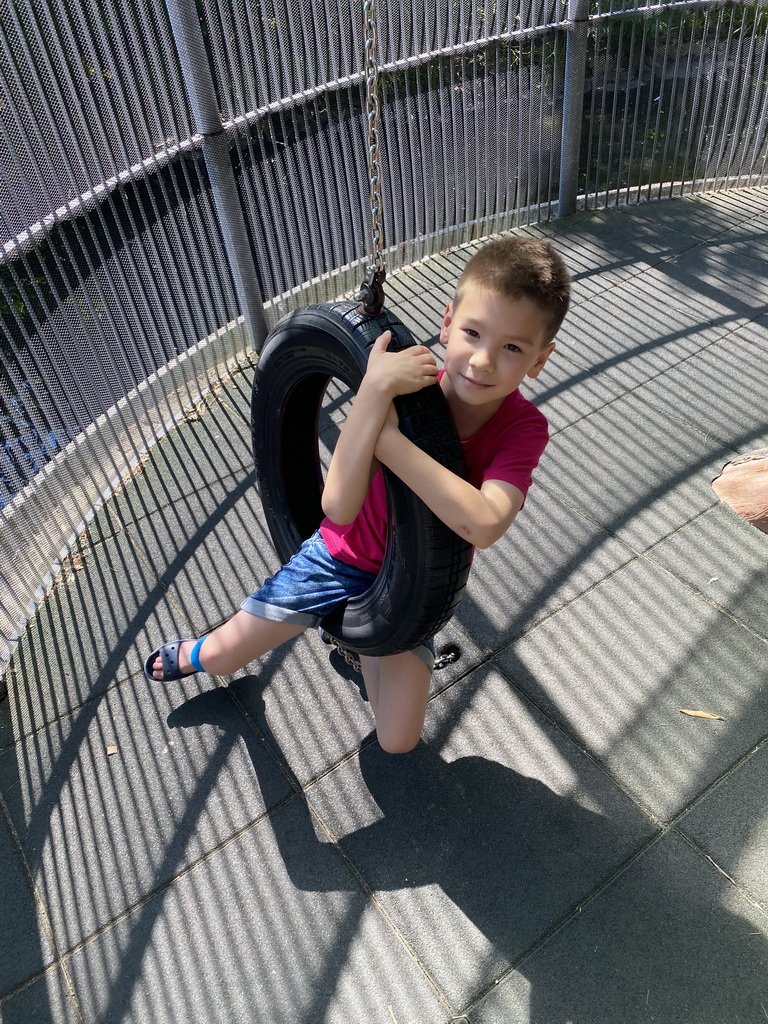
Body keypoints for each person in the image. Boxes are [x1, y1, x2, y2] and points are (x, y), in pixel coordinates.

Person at [145, 237, 571, 753]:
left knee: (398, 741)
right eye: (472, 333)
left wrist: (387, 440)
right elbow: (338, 507)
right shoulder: (402, 390)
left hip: (411, 577)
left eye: (512, 348)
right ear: (446, 322)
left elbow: (484, 523)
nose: (482, 361)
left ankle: (354, 644)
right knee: (222, 658)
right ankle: (197, 652)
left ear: (539, 360)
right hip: (337, 556)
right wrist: (372, 392)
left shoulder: (523, 428)